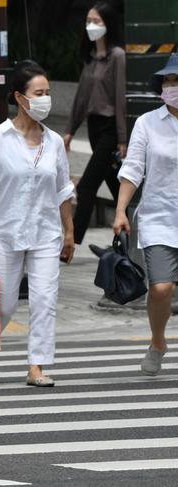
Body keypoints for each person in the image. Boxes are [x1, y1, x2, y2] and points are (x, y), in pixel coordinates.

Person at [0, 60, 75, 387]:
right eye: (38, 93)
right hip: (4, 233)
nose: (45, 98)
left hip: (45, 234)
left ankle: (37, 366)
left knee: (44, 300)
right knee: (5, 303)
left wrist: (69, 232)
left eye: (48, 92)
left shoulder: (54, 142)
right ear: (19, 97)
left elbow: (63, 189)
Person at [113, 54, 178, 376]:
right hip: (160, 217)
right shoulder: (148, 123)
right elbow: (134, 168)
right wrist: (121, 209)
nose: (172, 87)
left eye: (177, 81)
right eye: (168, 81)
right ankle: (158, 342)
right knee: (162, 288)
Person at [64, 2, 126, 254]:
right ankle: (123, 246)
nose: (92, 26)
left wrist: (123, 138)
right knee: (116, 186)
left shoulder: (118, 56)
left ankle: (70, 242)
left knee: (88, 184)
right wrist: (70, 129)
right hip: (94, 128)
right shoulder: (91, 58)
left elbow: (121, 99)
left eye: (97, 21)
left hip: (111, 129)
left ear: (108, 24)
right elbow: (81, 97)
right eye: (89, 20)